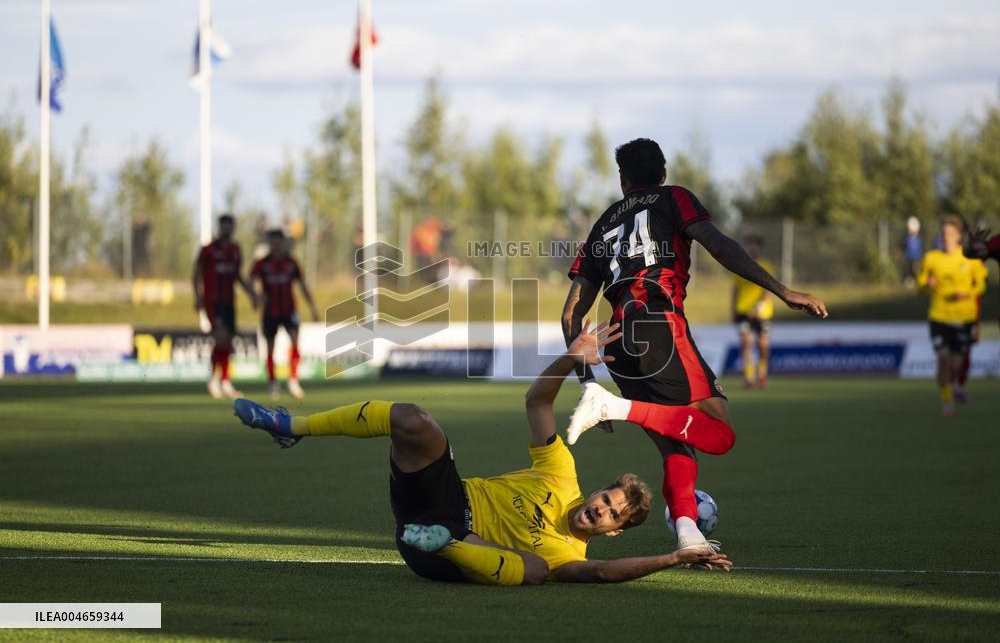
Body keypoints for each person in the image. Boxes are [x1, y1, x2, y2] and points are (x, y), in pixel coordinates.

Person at [232, 320, 732, 585]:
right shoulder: (561, 473)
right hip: (441, 499)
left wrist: (673, 557)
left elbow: (602, 573)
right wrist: (570, 358)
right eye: (606, 497)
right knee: (412, 417)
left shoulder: (573, 555)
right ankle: (290, 425)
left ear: (614, 530)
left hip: (445, 554)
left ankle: (443, 541)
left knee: (539, 572)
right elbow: (537, 401)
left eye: (611, 514)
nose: (599, 508)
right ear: (599, 490)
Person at [562, 138, 827, 556]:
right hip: (659, 325)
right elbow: (717, 244)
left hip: (618, 343)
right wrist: (782, 291)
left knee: (674, 442)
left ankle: (688, 532)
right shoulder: (675, 198)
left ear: (622, 179)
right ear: (663, 173)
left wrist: (583, 379)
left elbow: (570, 316)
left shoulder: (603, 223)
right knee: (720, 433)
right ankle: (612, 406)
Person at [918, 216, 988, 416]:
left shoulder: (970, 258)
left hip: (964, 317)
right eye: (944, 234)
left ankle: (952, 385)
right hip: (938, 316)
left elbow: (981, 284)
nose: (946, 237)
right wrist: (926, 286)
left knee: (957, 363)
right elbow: (920, 286)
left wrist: (968, 294)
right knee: (943, 359)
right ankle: (947, 402)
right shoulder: (931, 258)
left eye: (950, 234)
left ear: (959, 236)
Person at [193, 214, 257, 399]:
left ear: (234, 227)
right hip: (213, 301)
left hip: (229, 302)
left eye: (230, 225)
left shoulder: (236, 250)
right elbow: (196, 274)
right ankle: (214, 378)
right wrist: (198, 297)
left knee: (227, 343)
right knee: (220, 338)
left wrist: (252, 294)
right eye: (224, 226)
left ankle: (225, 380)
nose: (227, 229)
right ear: (220, 227)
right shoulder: (208, 250)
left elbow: (238, 276)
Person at [250, 229, 319, 400]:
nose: (276, 245)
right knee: (270, 348)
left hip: (289, 311)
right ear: (269, 244)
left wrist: (312, 307)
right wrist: (255, 295)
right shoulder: (263, 263)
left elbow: (302, 285)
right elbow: (250, 280)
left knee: (296, 342)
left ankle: (293, 380)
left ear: (282, 242)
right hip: (270, 312)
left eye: (278, 241)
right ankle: (273, 382)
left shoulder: (291, 263)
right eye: (272, 242)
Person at [731, 234, 775, 388]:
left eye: (756, 245)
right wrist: (733, 310)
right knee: (746, 342)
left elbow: (770, 289)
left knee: (763, 344)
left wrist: (759, 306)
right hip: (743, 310)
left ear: (761, 248)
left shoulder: (766, 266)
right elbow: (735, 289)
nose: (753, 248)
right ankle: (749, 377)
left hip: (762, 313)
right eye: (750, 245)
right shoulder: (738, 265)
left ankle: (762, 374)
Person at [903, 216, 924, 287]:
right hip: (909, 257)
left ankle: (918, 281)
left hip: (917, 257)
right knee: (909, 270)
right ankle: (910, 281)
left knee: (917, 270)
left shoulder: (919, 237)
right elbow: (904, 245)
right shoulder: (907, 237)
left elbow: (921, 247)